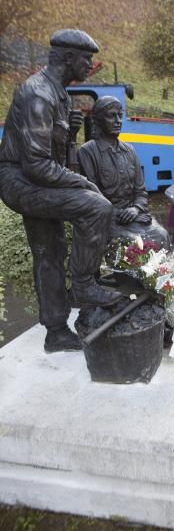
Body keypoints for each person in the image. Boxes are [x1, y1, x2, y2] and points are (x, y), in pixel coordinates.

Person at [0, 29, 122, 354]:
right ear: (68, 58)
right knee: (96, 207)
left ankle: (56, 332)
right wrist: (82, 182)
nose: (90, 66)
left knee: (49, 250)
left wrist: (68, 140)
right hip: (21, 182)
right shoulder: (38, 95)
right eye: (87, 59)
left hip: (34, 178)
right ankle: (83, 285)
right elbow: (37, 165)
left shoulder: (61, 94)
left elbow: (56, 155)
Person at [78, 96, 167, 245]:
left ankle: (164, 269)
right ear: (99, 120)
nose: (118, 120)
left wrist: (136, 209)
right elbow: (93, 196)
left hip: (133, 214)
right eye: (111, 116)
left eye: (120, 115)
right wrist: (122, 214)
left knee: (162, 235)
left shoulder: (129, 150)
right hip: (107, 219)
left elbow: (141, 191)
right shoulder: (87, 151)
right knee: (133, 242)